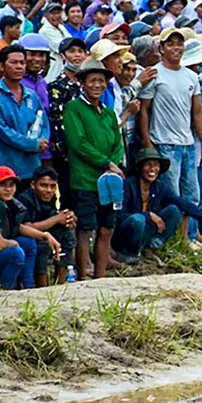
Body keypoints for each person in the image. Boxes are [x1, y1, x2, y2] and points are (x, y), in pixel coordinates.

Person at [137, 29, 202, 239]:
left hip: (187, 143)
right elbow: (144, 109)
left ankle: (188, 238)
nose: (176, 48)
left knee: (192, 195)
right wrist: (147, 141)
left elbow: (197, 112)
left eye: (179, 43)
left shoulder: (191, 76)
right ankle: (170, 239)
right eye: (170, 44)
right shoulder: (155, 74)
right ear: (161, 48)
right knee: (172, 196)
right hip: (164, 143)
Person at [64, 58, 124, 276]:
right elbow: (78, 143)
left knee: (107, 227)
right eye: (92, 81)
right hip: (85, 179)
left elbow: (118, 142)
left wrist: (113, 165)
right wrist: (105, 163)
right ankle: (82, 274)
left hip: (109, 180)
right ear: (83, 83)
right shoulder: (74, 108)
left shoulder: (108, 112)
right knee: (85, 228)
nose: (97, 85)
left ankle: (100, 275)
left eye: (101, 81)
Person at [116, 148, 202, 261]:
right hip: (126, 234)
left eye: (156, 165)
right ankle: (129, 253)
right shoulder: (127, 185)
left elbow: (184, 204)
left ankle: (151, 247)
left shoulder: (159, 187)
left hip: (146, 232)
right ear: (140, 168)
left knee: (174, 210)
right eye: (148, 165)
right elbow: (119, 216)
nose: (152, 169)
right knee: (138, 220)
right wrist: (147, 215)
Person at [0, 166, 58, 290]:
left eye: (11, 185)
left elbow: (18, 227)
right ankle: (4, 291)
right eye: (2, 185)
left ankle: (27, 288)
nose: (8, 189)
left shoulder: (10, 203)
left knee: (28, 243)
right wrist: (14, 243)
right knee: (16, 253)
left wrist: (45, 235)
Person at [0, 45, 49, 179]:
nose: (19, 66)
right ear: (1, 67)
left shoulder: (31, 95)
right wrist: (33, 144)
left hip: (32, 166)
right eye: (13, 62)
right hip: (5, 168)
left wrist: (43, 141)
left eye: (22, 62)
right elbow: (2, 130)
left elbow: (43, 123)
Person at [18, 166, 76, 286]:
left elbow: (58, 217)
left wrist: (68, 219)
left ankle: (62, 282)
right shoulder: (24, 199)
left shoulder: (54, 197)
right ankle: (42, 286)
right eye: (43, 185)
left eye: (52, 186)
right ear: (33, 185)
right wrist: (56, 219)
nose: (49, 190)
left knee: (67, 235)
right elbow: (25, 227)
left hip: (49, 233)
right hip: (27, 237)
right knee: (42, 244)